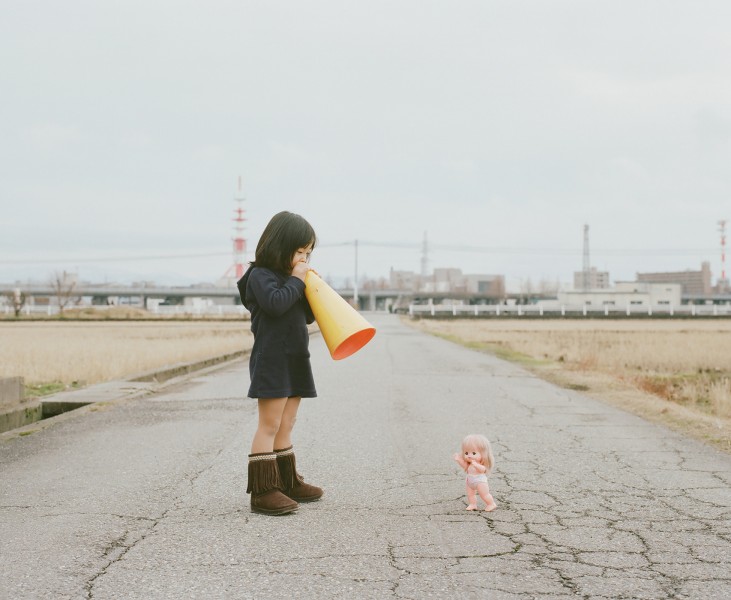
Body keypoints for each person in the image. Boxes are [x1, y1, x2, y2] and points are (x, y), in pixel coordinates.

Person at [237, 211, 323, 516]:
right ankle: (262, 492)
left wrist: (312, 290)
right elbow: (275, 305)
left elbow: (307, 316)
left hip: (296, 358)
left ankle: (286, 481)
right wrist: (298, 282)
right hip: (272, 360)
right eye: (299, 251)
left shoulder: (292, 279)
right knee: (270, 424)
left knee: (287, 423)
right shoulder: (260, 276)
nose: (304, 258)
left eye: (308, 253)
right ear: (278, 245)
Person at [453, 434, 497, 512]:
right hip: (470, 481)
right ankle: (473, 504)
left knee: (484, 494)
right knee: (470, 494)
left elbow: (483, 470)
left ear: (483, 453)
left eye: (473, 453)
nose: (469, 456)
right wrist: (459, 460)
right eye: (466, 453)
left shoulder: (478, 464)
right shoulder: (469, 464)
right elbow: (465, 467)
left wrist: (477, 465)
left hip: (480, 481)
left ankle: (491, 503)